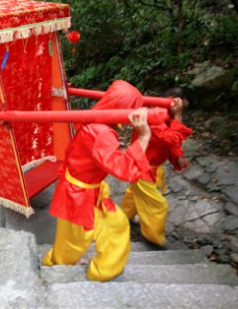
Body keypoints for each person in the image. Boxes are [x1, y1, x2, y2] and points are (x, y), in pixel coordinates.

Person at [42, 80, 154, 282]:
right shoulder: (101, 133)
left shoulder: (96, 120)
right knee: (71, 245)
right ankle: (52, 272)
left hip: (89, 191)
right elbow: (123, 168)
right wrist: (144, 137)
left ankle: (102, 271)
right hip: (77, 196)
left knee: (116, 226)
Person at [120, 87, 193, 247]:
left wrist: (179, 157)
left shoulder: (166, 116)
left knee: (134, 192)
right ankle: (153, 237)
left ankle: (125, 216)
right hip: (141, 167)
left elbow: (171, 143)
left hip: (148, 166)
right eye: (180, 107)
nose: (180, 111)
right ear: (174, 101)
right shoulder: (152, 117)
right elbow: (172, 138)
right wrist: (178, 117)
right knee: (158, 205)